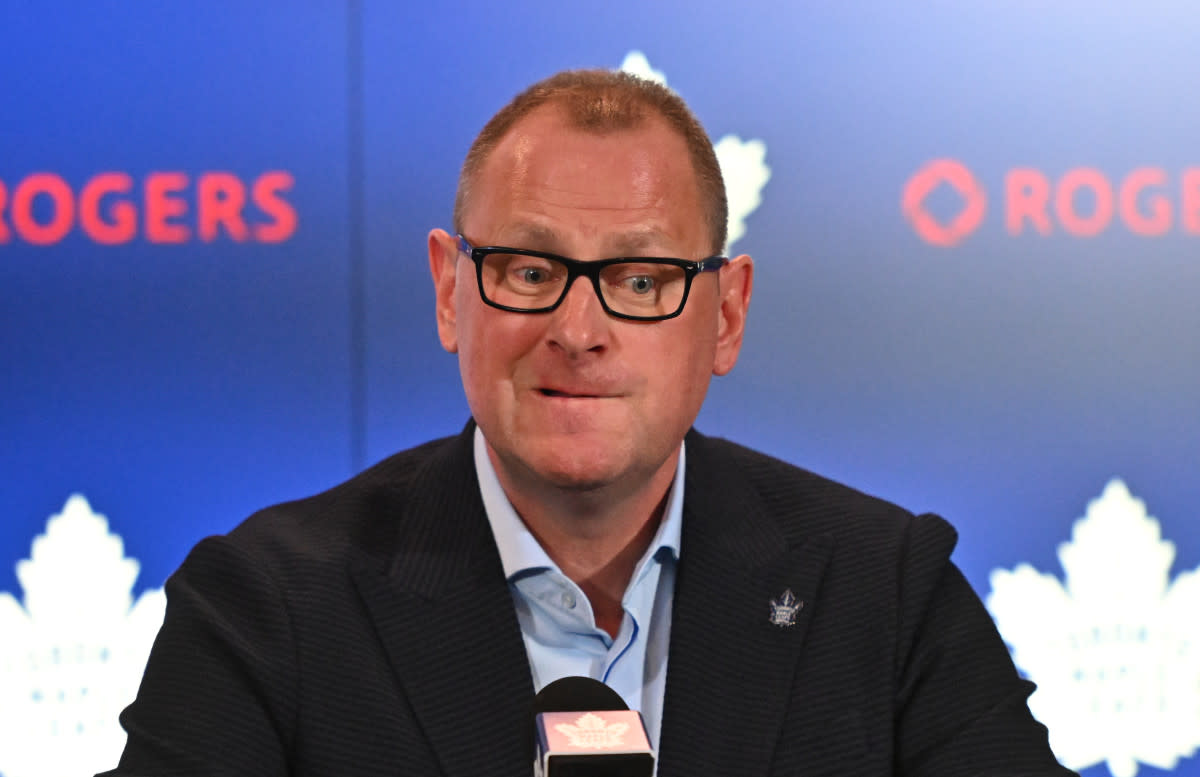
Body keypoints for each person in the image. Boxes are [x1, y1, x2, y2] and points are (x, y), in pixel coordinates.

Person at [100, 69, 1073, 777]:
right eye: (529, 271)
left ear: (725, 315)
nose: (578, 330)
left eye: (640, 279)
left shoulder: (881, 591)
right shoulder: (270, 609)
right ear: (451, 292)